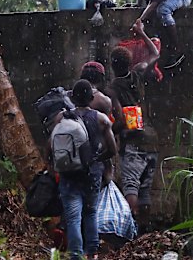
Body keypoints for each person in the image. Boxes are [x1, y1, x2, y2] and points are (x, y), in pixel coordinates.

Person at [106, 20, 160, 234]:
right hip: (152, 140)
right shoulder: (138, 73)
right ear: (130, 63)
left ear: (112, 66)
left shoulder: (112, 89)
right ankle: (144, 230)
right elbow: (154, 53)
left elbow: (119, 119)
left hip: (133, 143)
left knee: (131, 187)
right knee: (145, 189)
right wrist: (142, 32)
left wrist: (107, 131)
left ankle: (129, 232)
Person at [58, 79, 117, 260]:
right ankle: (92, 253)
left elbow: (51, 146)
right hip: (92, 174)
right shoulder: (101, 119)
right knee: (90, 212)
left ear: (73, 98)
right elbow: (112, 150)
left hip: (69, 174)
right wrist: (95, 159)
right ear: (92, 98)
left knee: (73, 216)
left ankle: (75, 254)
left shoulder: (62, 118)